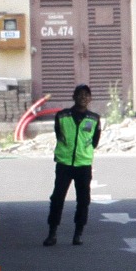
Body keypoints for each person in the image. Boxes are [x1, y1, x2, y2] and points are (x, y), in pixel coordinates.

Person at [45, 83, 98, 246]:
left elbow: (95, 142)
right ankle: (52, 232)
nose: (83, 98)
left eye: (86, 95)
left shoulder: (94, 119)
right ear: (73, 97)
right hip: (64, 164)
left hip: (83, 164)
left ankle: (78, 233)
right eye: (80, 94)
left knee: (83, 200)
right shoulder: (62, 116)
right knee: (57, 198)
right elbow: (58, 134)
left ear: (90, 99)